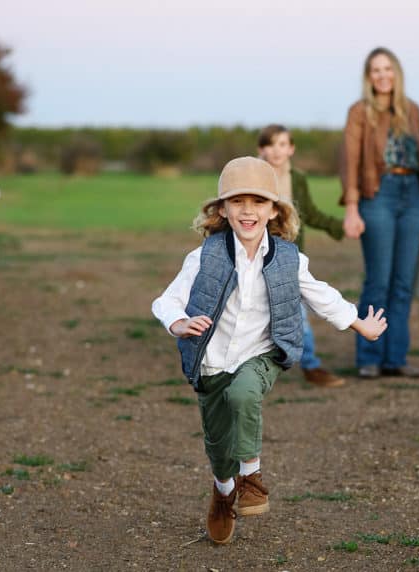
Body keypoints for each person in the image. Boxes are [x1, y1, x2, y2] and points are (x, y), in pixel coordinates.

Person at [151, 157, 387, 544]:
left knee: (245, 393)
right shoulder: (204, 255)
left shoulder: (287, 258)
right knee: (218, 446)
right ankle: (224, 491)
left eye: (258, 202)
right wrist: (178, 322)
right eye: (238, 202)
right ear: (222, 210)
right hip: (210, 360)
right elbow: (167, 300)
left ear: (274, 210)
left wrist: (358, 322)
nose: (248, 211)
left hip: (262, 353)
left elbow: (319, 294)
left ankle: (253, 478)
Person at [340, 46, 419, 379]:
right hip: (377, 195)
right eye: (376, 70)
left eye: (388, 69)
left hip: (411, 196)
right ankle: (369, 356)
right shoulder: (359, 112)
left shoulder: (412, 110)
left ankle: (395, 358)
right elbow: (349, 161)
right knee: (378, 281)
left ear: (397, 73)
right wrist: (352, 208)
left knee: (403, 283)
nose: (383, 75)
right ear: (369, 77)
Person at [257, 124, 347, 388]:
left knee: (296, 310)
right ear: (261, 149)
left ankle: (310, 365)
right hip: (255, 253)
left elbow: (309, 213)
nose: (277, 150)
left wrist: (339, 227)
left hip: (289, 256)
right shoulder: (254, 176)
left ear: (291, 149)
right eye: (271, 145)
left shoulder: (298, 179)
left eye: (283, 144)